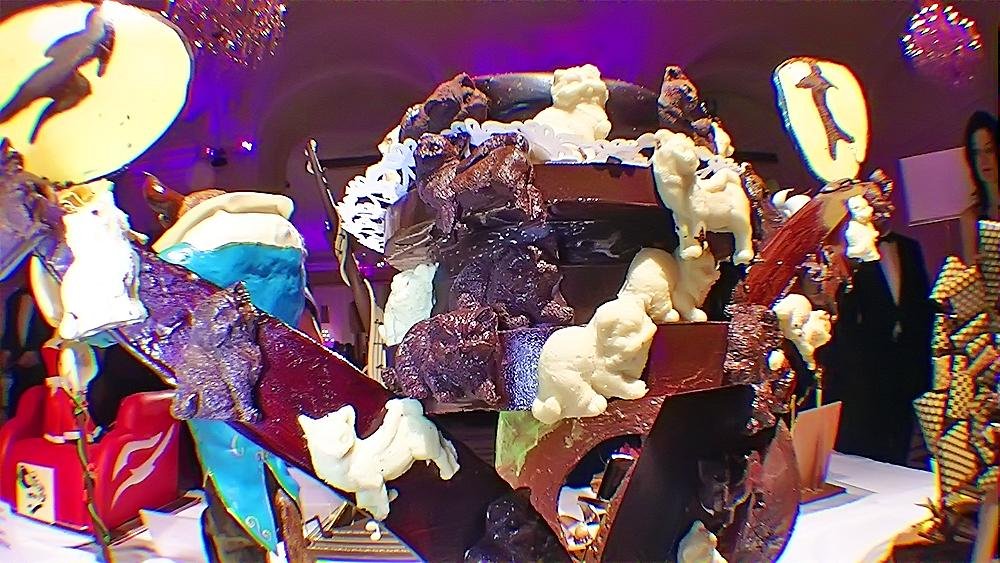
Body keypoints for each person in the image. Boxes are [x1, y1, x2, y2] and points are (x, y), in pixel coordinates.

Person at [824, 223, 934, 466]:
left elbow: (921, 305)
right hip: (868, 367)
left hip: (906, 362)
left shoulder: (909, 247)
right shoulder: (850, 252)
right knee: (870, 444)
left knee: (902, 436)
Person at [1, 267, 49, 418]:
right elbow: (10, 332)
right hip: (18, 367)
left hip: (42, 370)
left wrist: (38, 354)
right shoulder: (14, 298)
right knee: (16, 408)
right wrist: (7, 351)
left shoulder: (49, 301)